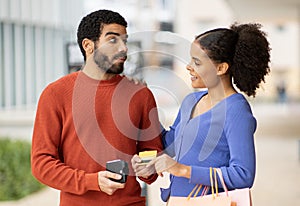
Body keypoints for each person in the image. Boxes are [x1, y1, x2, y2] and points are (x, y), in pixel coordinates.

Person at [31, 9, 163, 206]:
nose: (123, 49)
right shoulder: (55, 94)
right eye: (113, 40)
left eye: (124, 41)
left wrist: (147, 168)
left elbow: (152, 155)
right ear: (88, 45)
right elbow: (42, 164)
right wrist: (91, 181)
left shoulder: (140, 95)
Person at [132, 23, 271, 201]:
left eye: (197, 62)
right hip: (177, 201)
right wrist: (145, 104)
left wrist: (182, 169)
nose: (189, 67)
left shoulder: (236, 111)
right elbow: (169, 144)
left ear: (221, 68)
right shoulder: (191, 101)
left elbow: (243, 174)